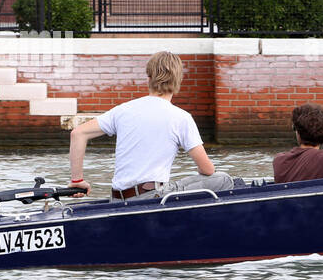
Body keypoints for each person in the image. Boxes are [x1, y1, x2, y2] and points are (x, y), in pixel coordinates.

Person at [69, 51, 232, 199]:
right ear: (178, 82)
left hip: (118, 198)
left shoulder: (123, 110)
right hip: (152, 197)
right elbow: (207, 170)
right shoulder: (181, 117)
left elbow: (78, 134)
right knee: (223, 179)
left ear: (148, 78)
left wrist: (77, 181)